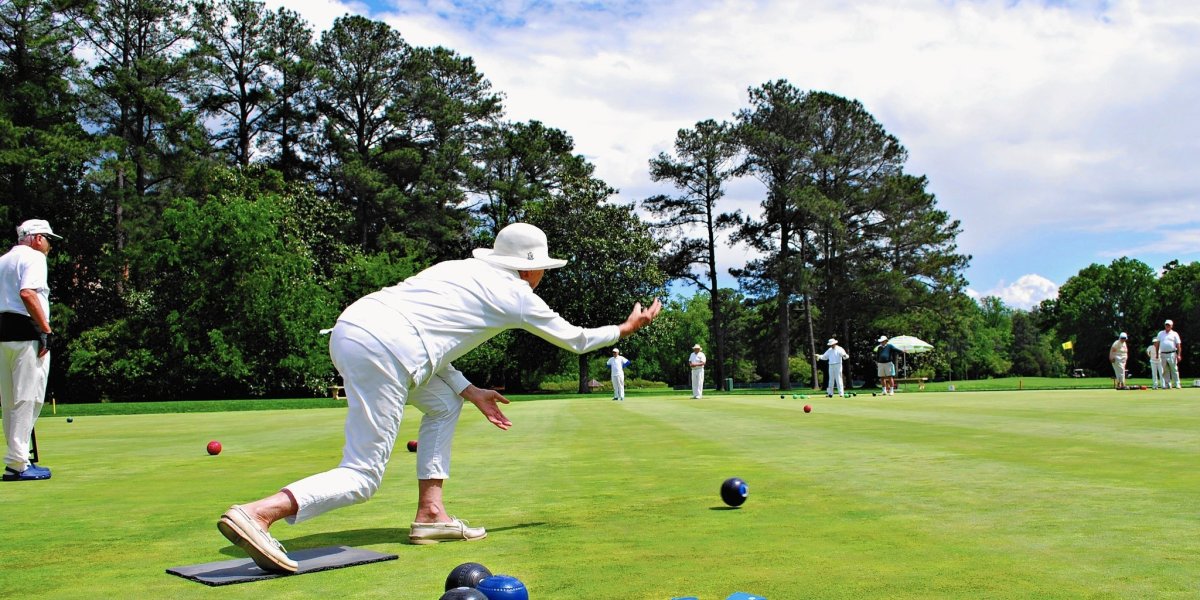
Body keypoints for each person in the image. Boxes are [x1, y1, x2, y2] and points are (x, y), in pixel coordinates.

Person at [215, 223, 662, 573]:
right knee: (363, 475)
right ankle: (259, 514)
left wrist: (469, 391)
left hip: (353, 328)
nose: (543, 275)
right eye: (543, 267)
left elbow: (423, 338)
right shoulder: (517, 294)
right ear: (529, 268)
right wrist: (624, 330)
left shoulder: (455, 269)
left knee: (444, 404)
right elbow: (577, 340)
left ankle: (431, 514)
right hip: (386, 347)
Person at [0, 220, 60, 482]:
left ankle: (16, 459)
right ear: (36, 239)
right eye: (47, 239)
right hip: (27, 332)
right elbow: (27, 293)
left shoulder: (3, 260)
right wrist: (45, 330)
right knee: (29, 397)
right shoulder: (34, 258)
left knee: (10, 400)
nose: (49, 245)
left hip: (3, 335)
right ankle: (18, 463)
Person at [1157, 319, 1182, 389]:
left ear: (1171, 326)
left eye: (1169, 325)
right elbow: (1157, 344)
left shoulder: (1175, 334)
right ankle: (1168, 384)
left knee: (1174, 369)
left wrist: (1179, 355)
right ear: (1164, 325)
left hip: (1172, 353)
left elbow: (1178, 345)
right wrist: (1157, 354)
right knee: (1165, 370)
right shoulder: (1160, 333)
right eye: (1166, 325)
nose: (1167, 326)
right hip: (1162, 354)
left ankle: (1177, 383)